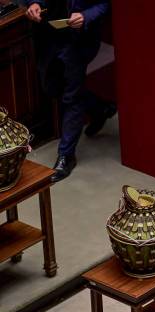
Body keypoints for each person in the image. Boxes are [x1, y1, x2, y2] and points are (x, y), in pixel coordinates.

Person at [24, 0, 115, 182]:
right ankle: (100, 108)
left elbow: (105, 3)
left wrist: (86, 16)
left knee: (72, 96)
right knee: (51, 87)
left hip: (76, 38)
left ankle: (66, 155)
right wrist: (33, 3)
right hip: (47, 34)